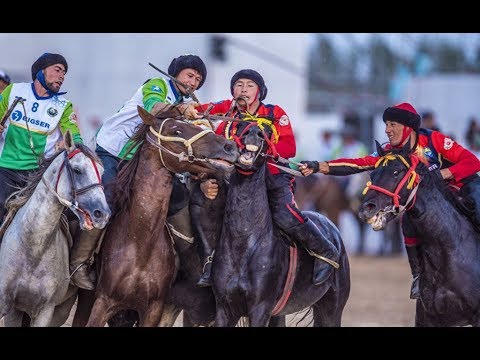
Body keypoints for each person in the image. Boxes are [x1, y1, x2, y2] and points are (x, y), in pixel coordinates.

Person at [299, 102, 480, 299]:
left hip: (462, 186)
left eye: (392, 124)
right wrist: (319, 166)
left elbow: (473, 162)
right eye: (386, 125)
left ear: (407, 127)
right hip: (430, 200)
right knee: (408, 221)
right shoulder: (389, 151)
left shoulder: (434, 139)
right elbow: (359, 164)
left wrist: (440, 175)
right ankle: (418, 276)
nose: (387, 130)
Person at [187, 69, 340, 288]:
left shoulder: (274, 112)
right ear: (233, 91)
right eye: (239, 85)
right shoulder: (226, 112)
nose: (244, 89)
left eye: (250, 85)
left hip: (272, 175)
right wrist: (189, 110)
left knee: (285, 215)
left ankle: (325, 251)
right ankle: (210, 261)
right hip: (234, 179)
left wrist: (259, 149)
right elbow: (201, 112)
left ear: (259, 91)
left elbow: (289, 147)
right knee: (204, 207)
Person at [71, 54, 207, 290]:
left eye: (198, 79)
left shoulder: (184, 103)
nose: (193, 82)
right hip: (113, 150)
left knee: (178, 196)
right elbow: (154, 108)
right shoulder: (157, 84)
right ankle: (78, 264)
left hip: (142, 160)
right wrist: (182, 110)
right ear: (176, 73)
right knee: (107, 201)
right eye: (190, 75)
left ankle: (188, 265)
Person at [0, 53, 83, 231]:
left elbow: (75, 136)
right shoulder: (13, 90)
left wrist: (70, 143)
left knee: (65, 219)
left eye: (64, 73)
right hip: (4, 169)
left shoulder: (64, 106)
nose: (62, 76)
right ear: (41, 71)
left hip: (37, 175)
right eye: (58, 70)